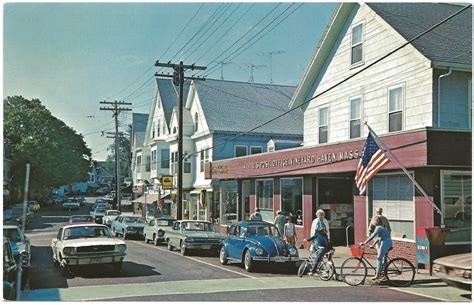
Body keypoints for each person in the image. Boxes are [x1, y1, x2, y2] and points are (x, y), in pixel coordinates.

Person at [360, 216, 392, 280]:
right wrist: (373, 244)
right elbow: (379, 237)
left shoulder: (378, 228)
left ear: (375, 222)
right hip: (388, 242)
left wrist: (364, 242)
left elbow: (372, 236)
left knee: (379, 258)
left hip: (385, 242)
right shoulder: (382, 226)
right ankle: (384, 274)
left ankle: (377, 275)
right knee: (383, 259)